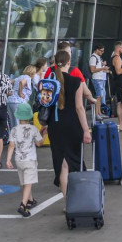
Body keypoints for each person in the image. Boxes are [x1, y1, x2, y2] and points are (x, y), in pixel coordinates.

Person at [47, 50, 92, 196]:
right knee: (73, 162)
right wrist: (86, 129)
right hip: (72, 125)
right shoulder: (76, 82)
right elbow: (79, 107)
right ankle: (80, 199)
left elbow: (46, 106)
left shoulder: (50, 82)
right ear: (69, 63)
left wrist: (45, 125)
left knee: (61, 165)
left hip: (55, 125)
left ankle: (68, 202)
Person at [5, 102, 45, 217]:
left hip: (19, 160)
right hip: (30, 160)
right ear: (29, 116)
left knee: (25, 181)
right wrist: (44, 135)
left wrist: (8, 160)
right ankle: (23, 205)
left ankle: (31, 200)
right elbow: (39, 143)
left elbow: (11, 145)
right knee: (28, 183)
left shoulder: (14, 130)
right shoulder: (33, 129)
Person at [8, 65, 36, 135]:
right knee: (19, 122)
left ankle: (13, 140)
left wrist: (11, 91)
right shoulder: (27, 78)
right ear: (32, 73)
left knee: (13, 122)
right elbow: (22, 82)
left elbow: (10, 82)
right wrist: (20, 93)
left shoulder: (19, 77)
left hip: (10, 101)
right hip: (18, 102)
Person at [88, 44, 109, 120]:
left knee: (100, 96)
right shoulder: (93, 58)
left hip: (99, 78)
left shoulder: (98, 57)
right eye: (101, 51)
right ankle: (96, 114)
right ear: (97, 50)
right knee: (98, 97)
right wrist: (103, 68)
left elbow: (97, 68)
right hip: (96, 79)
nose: (102, 52)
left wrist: (104, 69)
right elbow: (92, 70)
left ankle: (99, 113)